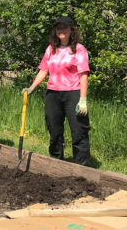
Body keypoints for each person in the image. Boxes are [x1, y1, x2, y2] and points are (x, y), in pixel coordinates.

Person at [22, 16, 91, 166]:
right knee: (54, 130)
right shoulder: (51, 49)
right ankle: (56, 163)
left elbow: (83, 75)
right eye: (58, 28)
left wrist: (83, 99)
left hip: (73, 93)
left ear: (71, 30)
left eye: (64, 27)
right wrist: (32, 87)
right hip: (53, 94)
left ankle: (82, 167)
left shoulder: (79, 49)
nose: (61, 30)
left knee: (79, 131)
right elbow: (43, 70)